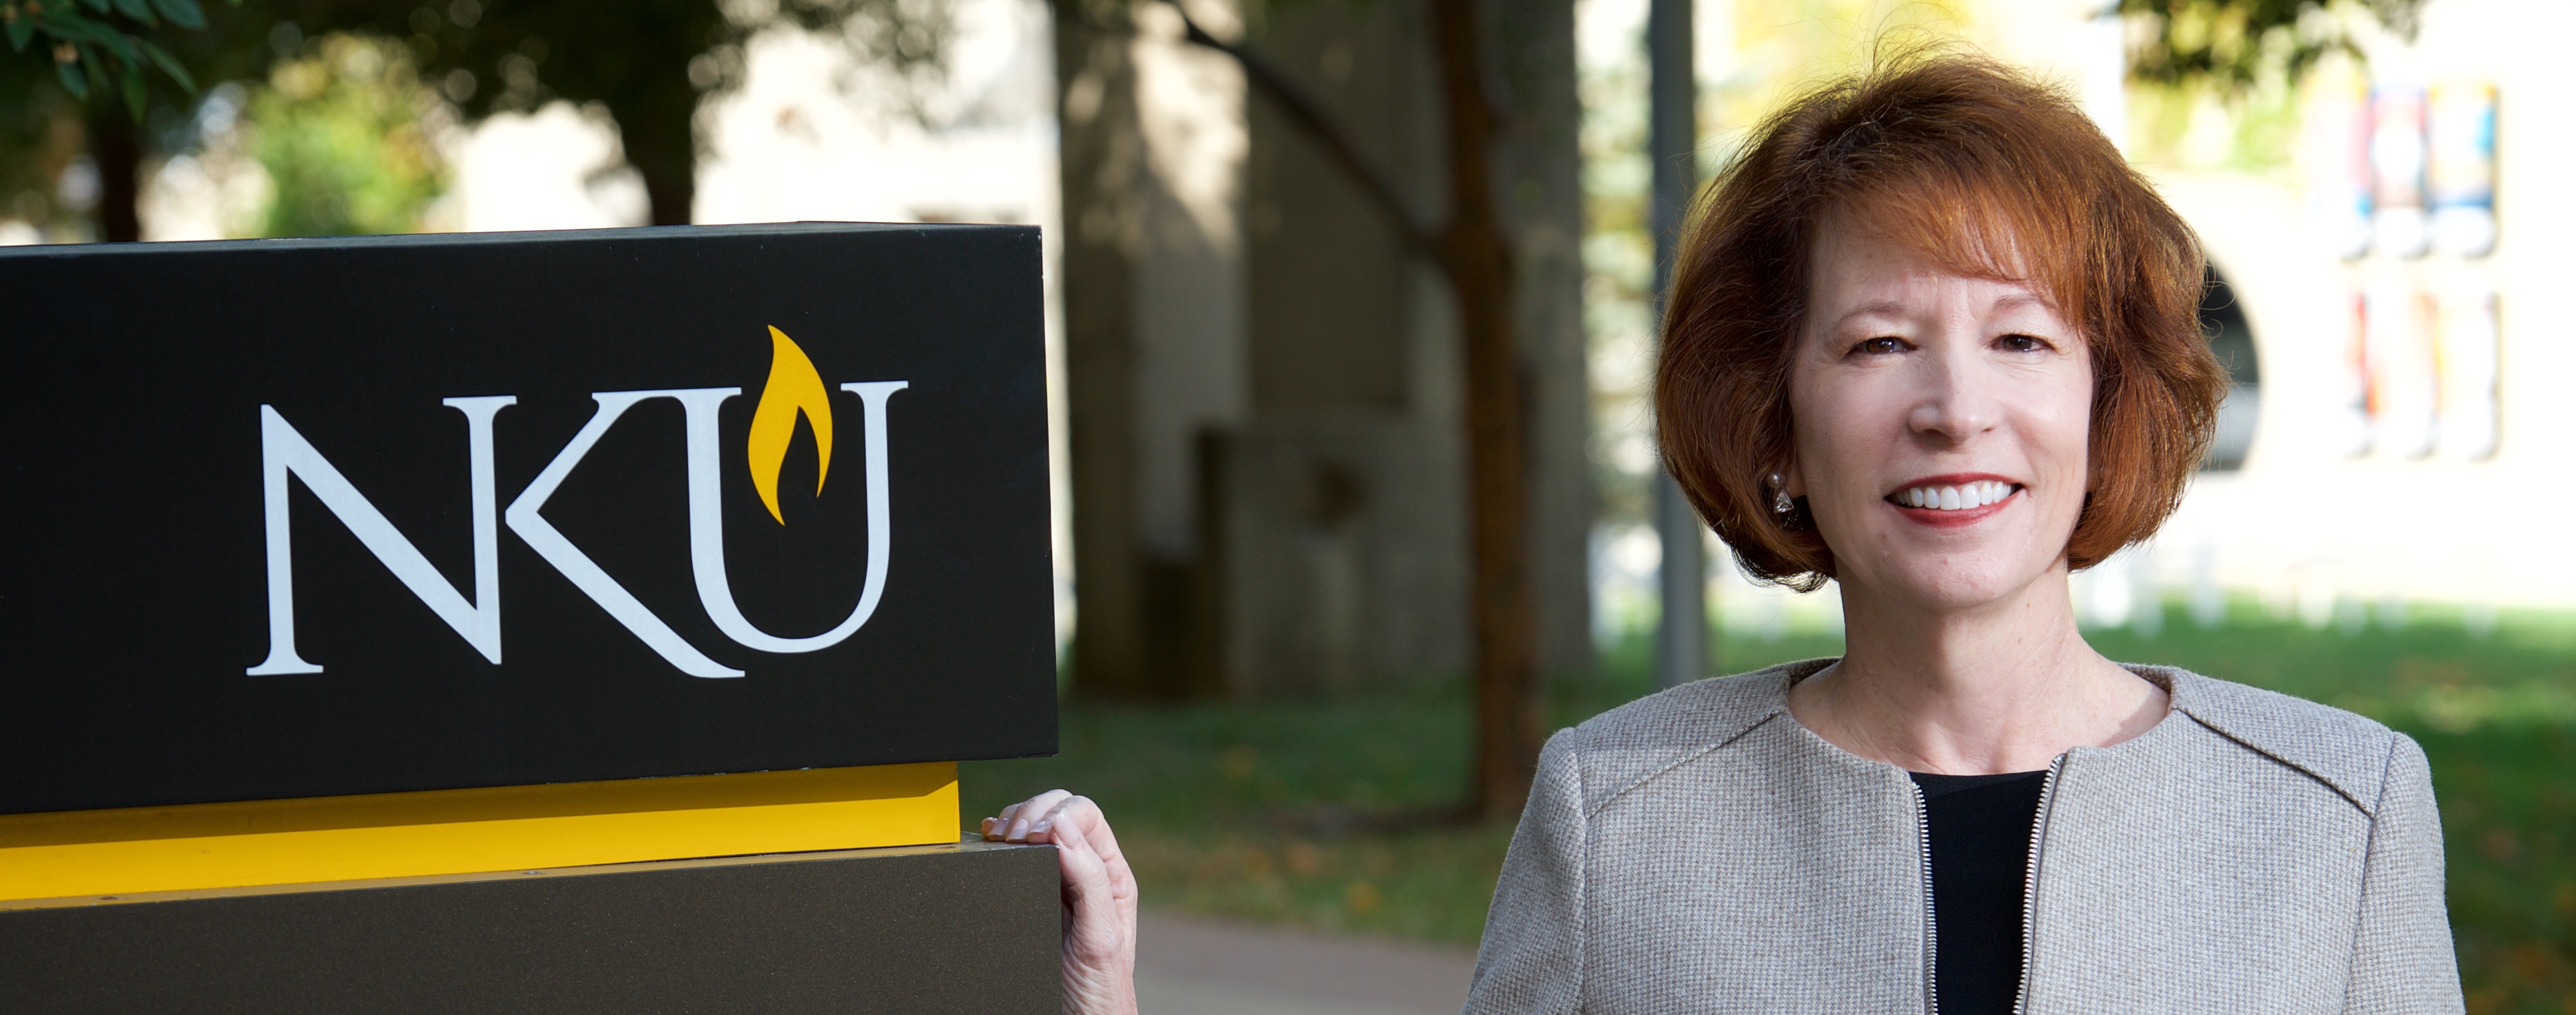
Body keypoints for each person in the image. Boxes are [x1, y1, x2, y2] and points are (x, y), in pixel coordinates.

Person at [988, 51, 2464, 1014]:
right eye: (1878, 343)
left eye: (2020, 340)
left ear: (2105, 396)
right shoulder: (1617, 812)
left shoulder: (2339, 813)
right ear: (1775, 419)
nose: (1955, 409)